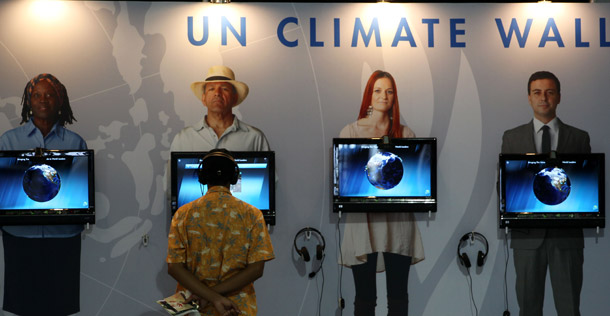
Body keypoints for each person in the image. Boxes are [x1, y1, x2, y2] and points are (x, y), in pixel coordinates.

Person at [501, 71, 590, 316]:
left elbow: (585, 184)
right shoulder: (512, 138)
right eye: (537, 92)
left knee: (570, 308)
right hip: (527, 239)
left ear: (559, 97)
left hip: (567, 238)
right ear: (529, 98)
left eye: (550, 92)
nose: (544, 98)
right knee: (528, 309)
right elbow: (505, 184)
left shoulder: (579, 138)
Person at [0, 73, 87, 315]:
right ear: (28, 101)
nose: (43, 100)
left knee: (61, 305)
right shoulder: (8, 141)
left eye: (50, 94)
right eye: (37, 95)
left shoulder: (75, 142)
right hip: (20, 237)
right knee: (22, 305)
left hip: (63, 237)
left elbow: (79, 188)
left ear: (60, 100)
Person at [339, 70, 425, 316]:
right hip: (361, 222)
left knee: (398, 298)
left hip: (397, 221)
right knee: (364, 298)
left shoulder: (406, 134)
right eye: (377, 90)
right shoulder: (350, 132)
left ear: (395, 97)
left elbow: (414, 180)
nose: (383, 96)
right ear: (369, 95)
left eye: (389, 91)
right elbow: (344, 180)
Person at [166, 149, 275, 315]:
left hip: (194, 306)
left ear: (202, 178)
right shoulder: (252, 214)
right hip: (236, 307)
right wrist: (215, 296)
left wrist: (209, 296)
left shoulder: (182, 214)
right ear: (233, 177)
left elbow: (174, 267)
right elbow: (256, 269)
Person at [169, 65, 270, 152]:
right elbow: (171, 175)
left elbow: (266, 174)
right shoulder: (183, 138)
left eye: (224, 89)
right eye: (211, 89)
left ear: (234, 98)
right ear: (203, 98)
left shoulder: (254, 137)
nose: (217, 93)